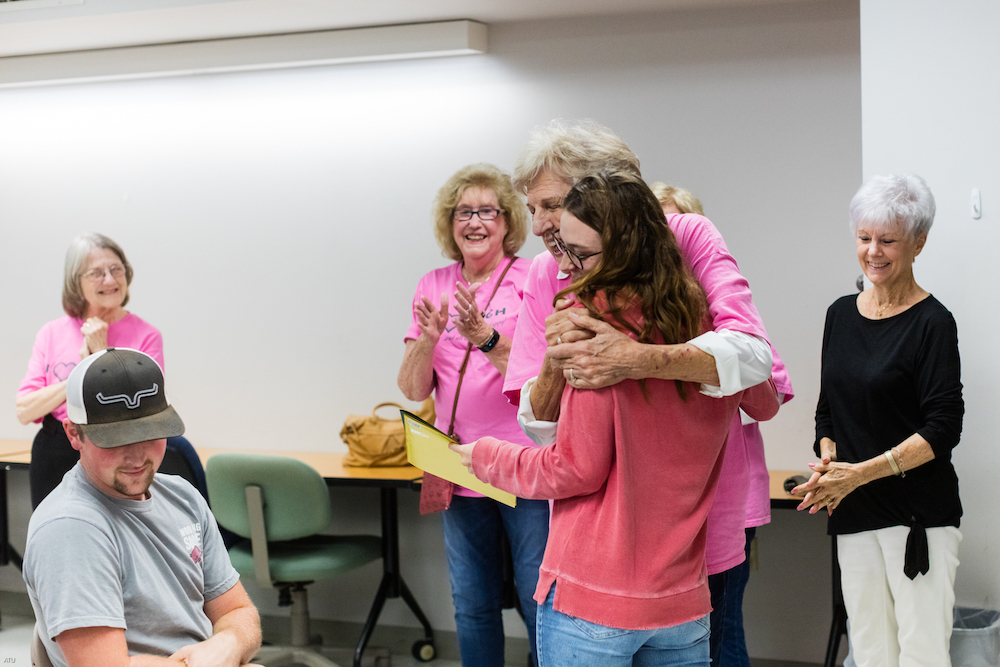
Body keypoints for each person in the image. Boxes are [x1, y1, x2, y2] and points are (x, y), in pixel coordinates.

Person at [453, 172, 780, 666]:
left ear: (626, 248)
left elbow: (573, 469)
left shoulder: (596, 337)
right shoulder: (711, 331)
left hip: (595, 601)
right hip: (682, 604)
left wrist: (483, 457)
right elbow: (764, 397)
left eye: (582, 254)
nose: (570, 267)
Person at [795, 174, 963, 667]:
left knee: (921, 654)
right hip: (852, 511)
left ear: (918, 243)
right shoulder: (840, 315)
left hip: (918, 518)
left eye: (888, 240)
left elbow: (943, 428)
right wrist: (829, 463)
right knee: (869, 651)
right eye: (864, 238)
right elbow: (829, 409)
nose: (873, 252)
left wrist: (859, 473)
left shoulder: (934, 322)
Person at [23, 347, 263, 667]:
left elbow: (237, 611)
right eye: (116, 440)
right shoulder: (70, 527)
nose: (137, 457)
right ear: (74, 434)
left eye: (150, 433)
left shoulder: (183, 496)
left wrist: (228, 643)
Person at [397, 163, 548, 667]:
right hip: (456, 464)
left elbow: (540, 379)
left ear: (507, 221)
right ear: (450, 222)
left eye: (486, 210)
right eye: (464, 211)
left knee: (537, 598)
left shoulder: (533, 277)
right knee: (473, 604)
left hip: (522, 463)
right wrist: (427, 340)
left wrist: (485, 335)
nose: (475, 222)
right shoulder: (432, 284)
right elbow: (413, 387)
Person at [650, 181, 796, 666]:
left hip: (728, 502)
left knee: (723, 624)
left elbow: (766, 402)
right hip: (669, 504)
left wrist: (719, 357)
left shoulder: (734, 319)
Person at [16, 233, 164, 509]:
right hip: (55, 448)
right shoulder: (52, 333)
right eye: (97, 273)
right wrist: (80, 374)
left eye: (116, 269)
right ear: (76, 282)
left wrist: (100, 354)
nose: (110, 280)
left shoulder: (146, 336)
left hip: (117, 448)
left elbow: (145, 407)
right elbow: (25, 410)